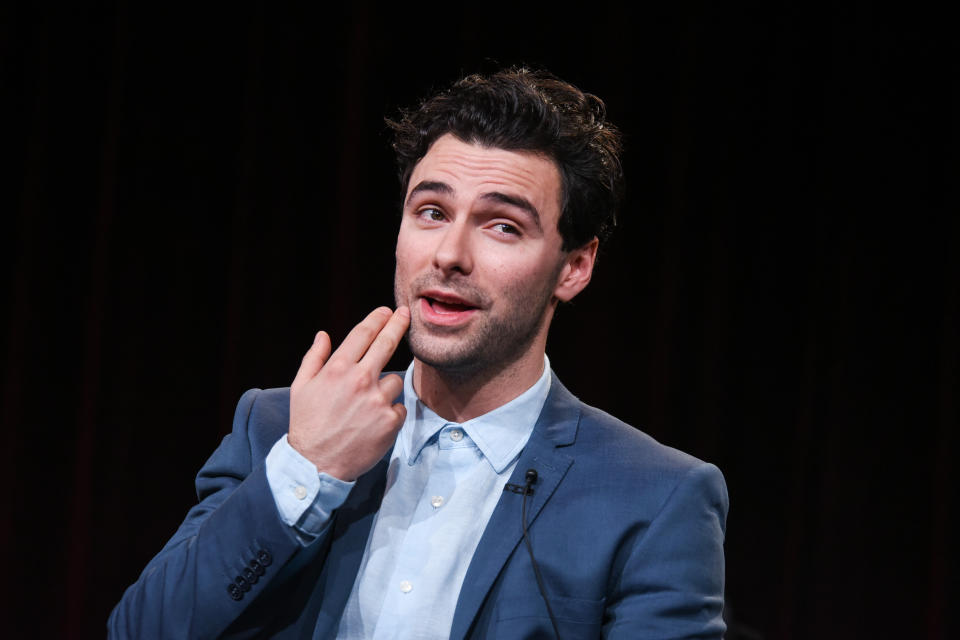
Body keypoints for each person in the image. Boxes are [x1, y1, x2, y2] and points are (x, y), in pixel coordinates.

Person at [109, 68, 728, 639]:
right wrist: (308, 467)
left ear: (574, 266)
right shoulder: (276, 429)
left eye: (502, 225)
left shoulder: (656, 497)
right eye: (431, 212)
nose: (450, 254)